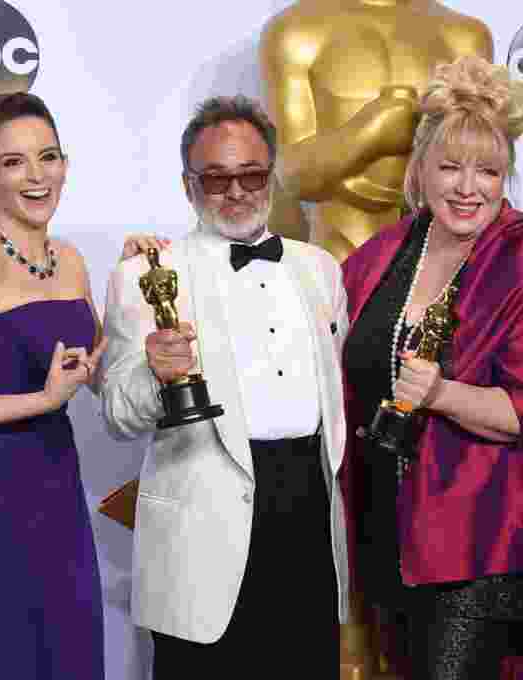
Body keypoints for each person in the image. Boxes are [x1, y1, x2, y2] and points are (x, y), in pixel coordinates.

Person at [340, 55, 523, 680]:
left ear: (505, 176)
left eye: (487, 171)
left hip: (481, 547)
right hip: (390, 536)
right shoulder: (385, 253)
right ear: (420, 170)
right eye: (451, 167)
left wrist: (439, 392)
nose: (469, 188)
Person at [98, 95, 349, 678]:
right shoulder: (144, 274)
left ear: (272, 175)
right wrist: (153, 377)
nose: (236, 192)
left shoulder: (321, 270)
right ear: (189, 187)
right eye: (216, 180)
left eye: (251, 175)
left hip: (308, 520)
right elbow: (115, 410)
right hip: (201, 540)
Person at [0, 92, 163, 679]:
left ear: (65, 164)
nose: (36, 176)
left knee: (68, 657)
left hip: (53, 491)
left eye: (48, 157)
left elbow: (97, 371)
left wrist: (131, 288)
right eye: (13, 162)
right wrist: (43, 401)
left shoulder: (71, 261)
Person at [260, 0, 493, 259]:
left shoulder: (465, 37)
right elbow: (293, 175)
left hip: (441, 255)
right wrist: (371, 132)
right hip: (342, 253)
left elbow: (485, 166)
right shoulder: (296, 32)